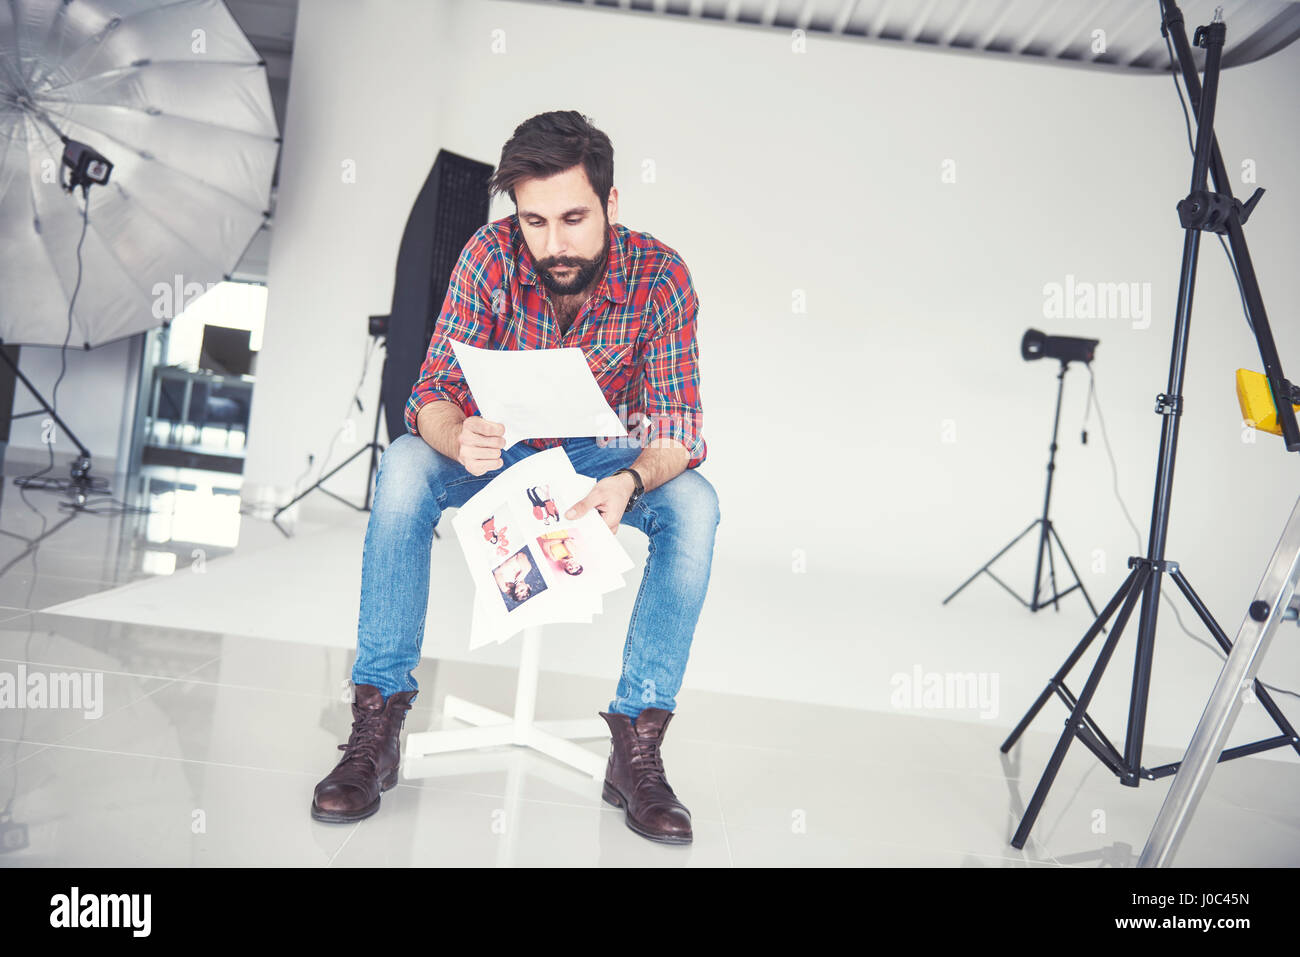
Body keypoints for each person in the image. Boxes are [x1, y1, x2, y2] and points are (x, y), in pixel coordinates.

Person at [312, 110, 720, 846]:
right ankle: (377, 725)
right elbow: (428, 392)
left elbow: (680, 430)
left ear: (612, 204)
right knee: (405, 462)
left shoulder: (660, 275)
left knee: (695, 504)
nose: (553, 245)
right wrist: (454, 431)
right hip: (494, 454)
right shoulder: (489, 253)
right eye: (534, 221)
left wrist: (628, 480)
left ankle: (638, 746)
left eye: (573, 218)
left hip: (601, 463)